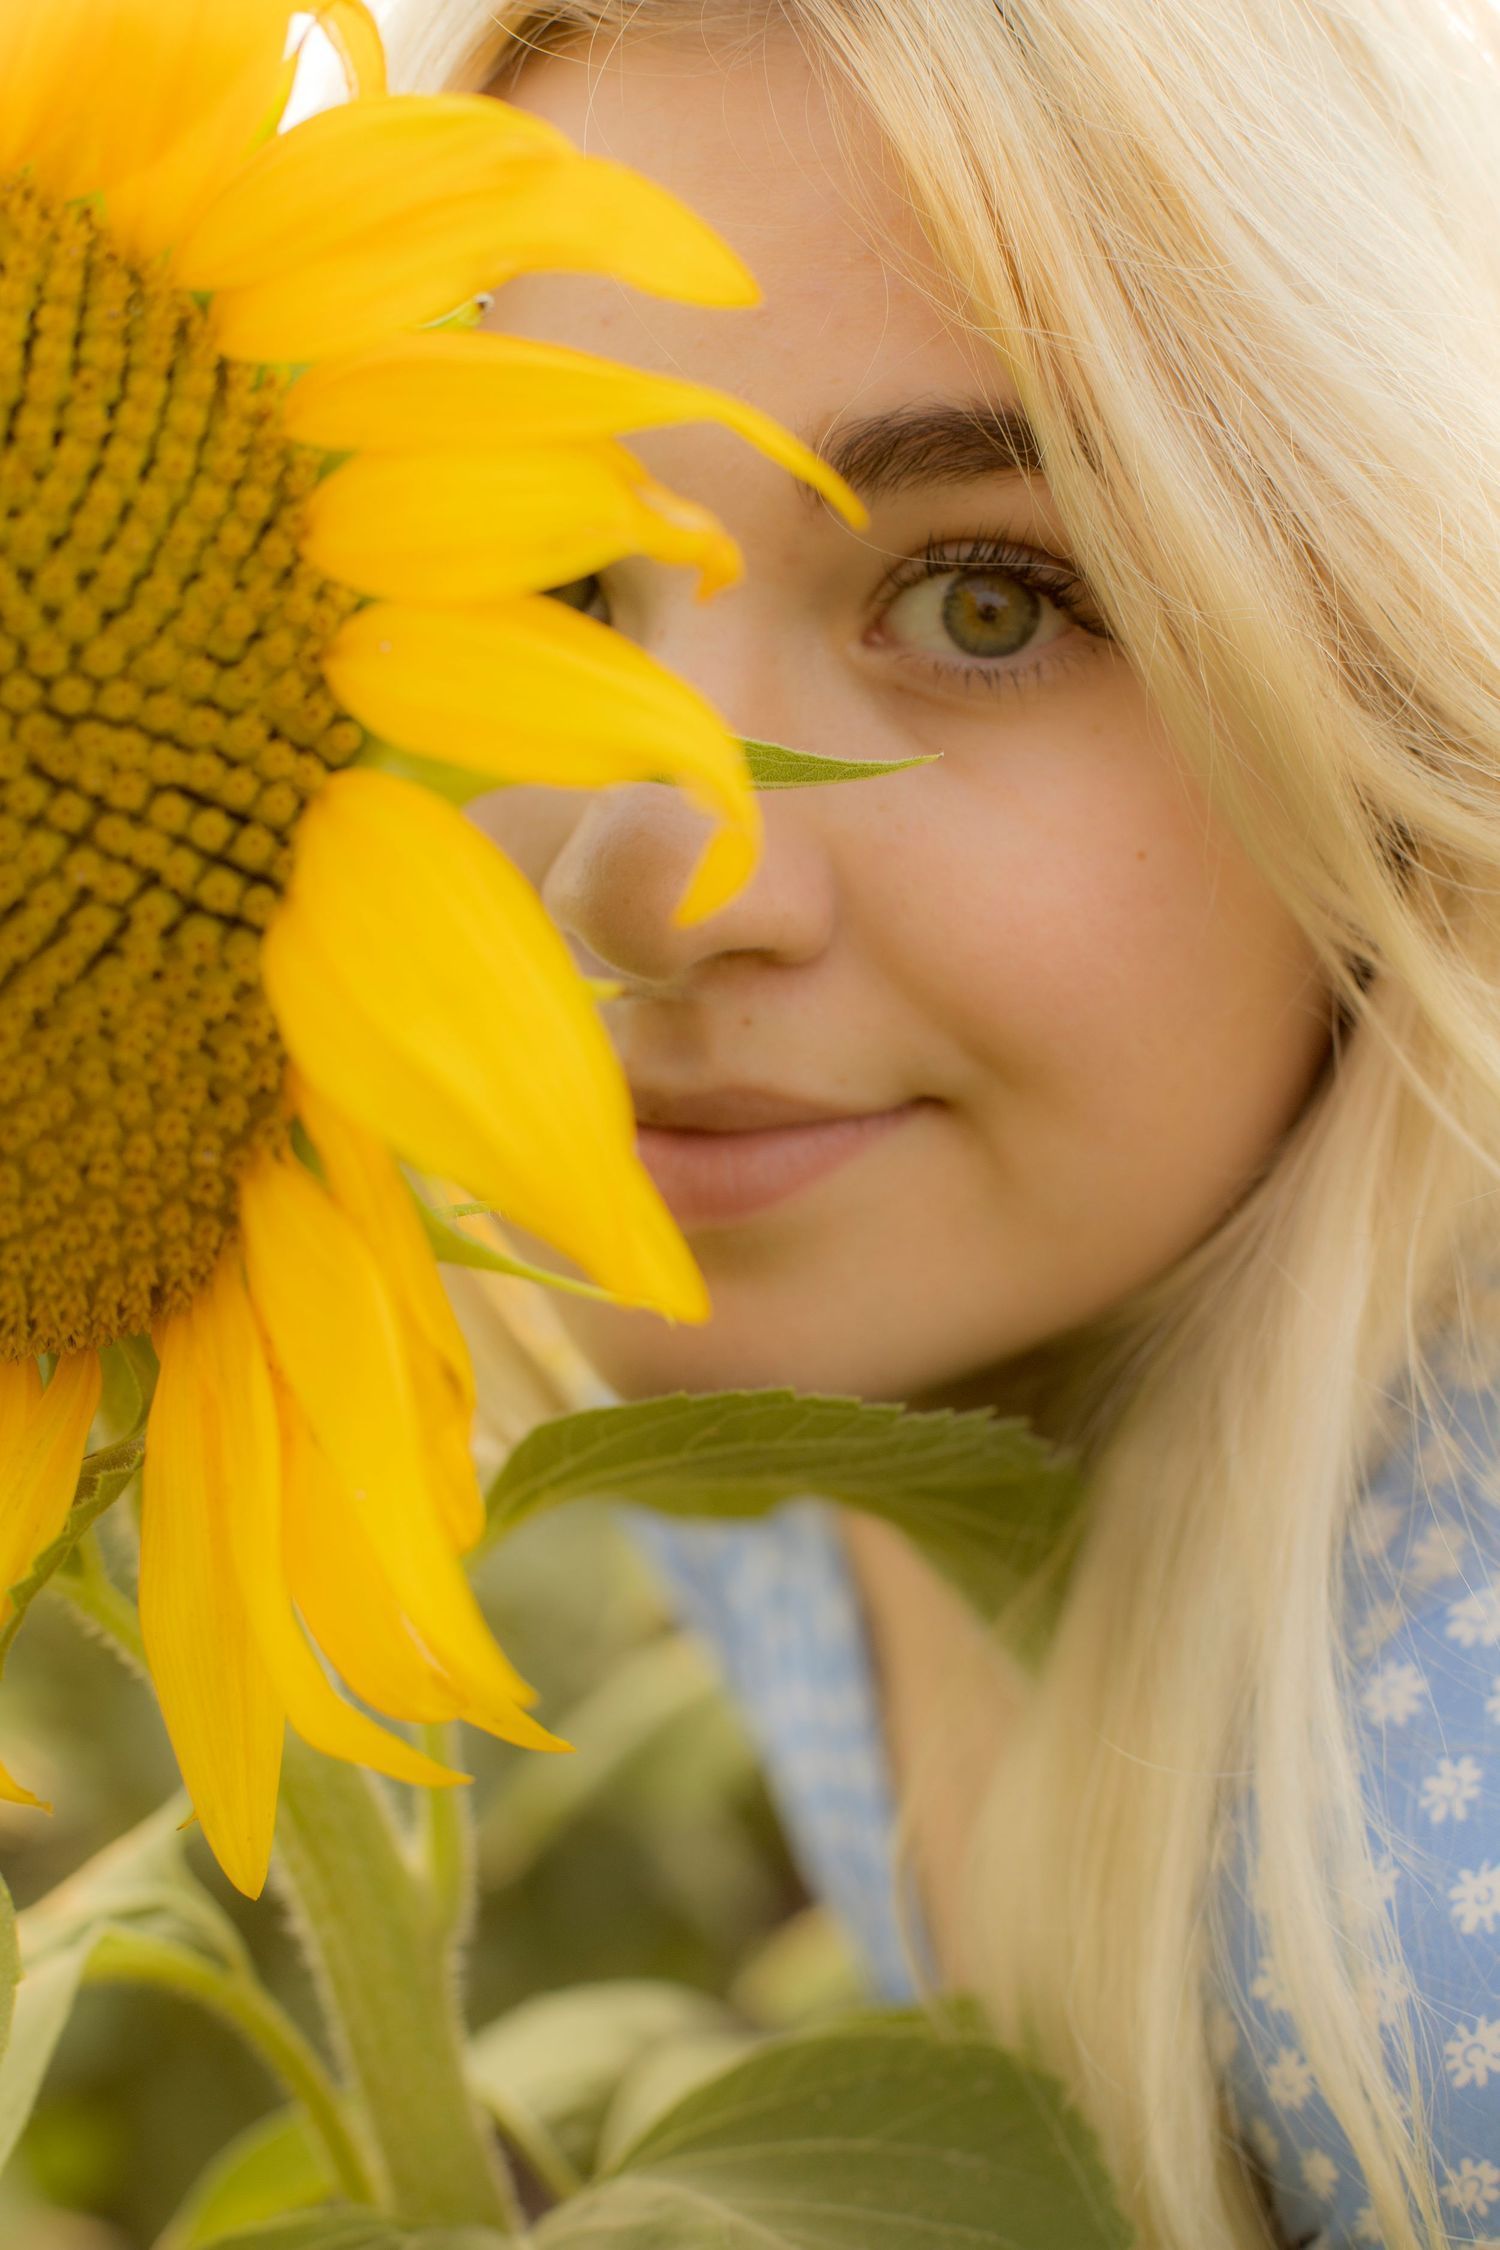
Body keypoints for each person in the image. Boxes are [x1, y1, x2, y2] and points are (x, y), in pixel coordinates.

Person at [385, 3, 1500, 2244]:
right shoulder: (776, 1364)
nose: (647, 882)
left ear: (1382, 663)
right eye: (549, 598)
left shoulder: (1430, 1888)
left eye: (985, 602)